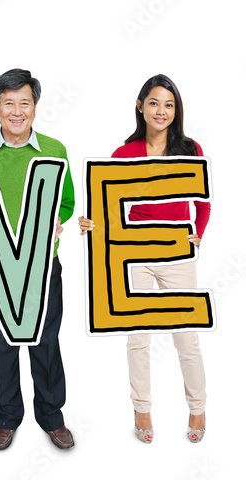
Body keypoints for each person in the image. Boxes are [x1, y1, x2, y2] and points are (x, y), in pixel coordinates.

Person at [78, 74, 210, 444]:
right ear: (140, 106)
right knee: (137, 337)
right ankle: (142, 408)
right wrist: (92, 223)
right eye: (154, 103)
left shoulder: (189, 148)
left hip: (175, 253)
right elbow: (109, 205)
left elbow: (203, 202)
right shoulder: (125, 154)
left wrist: (197, 233)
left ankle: (197, 408)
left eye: (169, 104)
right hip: (134, 254)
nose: (161, 111)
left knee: (186, 337)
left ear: (176, 110)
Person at [0, 68, 76, 450]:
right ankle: (6, 417)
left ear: (35, 107)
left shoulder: (54, 150)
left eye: (25, 103)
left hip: (40, 264)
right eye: (9, 104)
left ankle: (51, 417)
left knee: (46, 340)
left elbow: (67, 200)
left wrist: (59, 220)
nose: (17, 111)